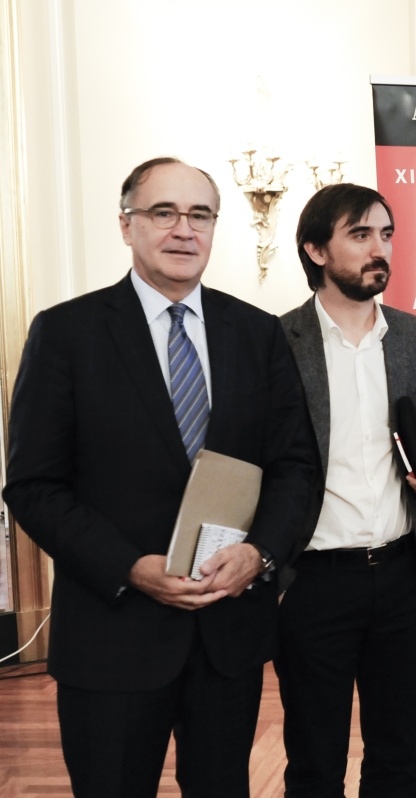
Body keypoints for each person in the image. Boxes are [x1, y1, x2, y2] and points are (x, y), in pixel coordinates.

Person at [2, 157, 320, 797]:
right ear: (127, 225)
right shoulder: (66, 333)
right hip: (113, 635)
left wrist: (259, 555)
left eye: (200, 215)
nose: (184, 230)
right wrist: (129, 567)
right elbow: (33, 486)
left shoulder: (256, 333)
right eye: (163, 212)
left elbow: (296, 467)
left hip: (226, 633)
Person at [277, 183, 416, 797]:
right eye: (360, 234)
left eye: (386, 234)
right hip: (312, 583)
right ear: (316, 250)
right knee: (315, 763)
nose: (379, 249)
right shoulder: (275, 342)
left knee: (396, 758)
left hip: (402, 579)